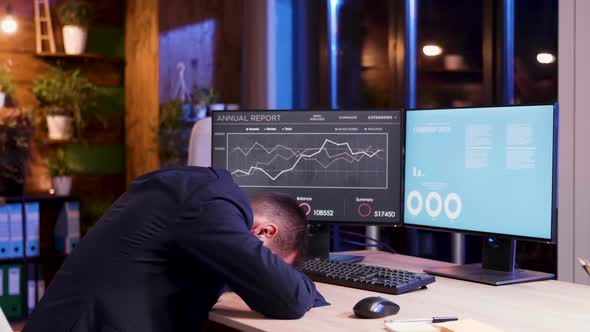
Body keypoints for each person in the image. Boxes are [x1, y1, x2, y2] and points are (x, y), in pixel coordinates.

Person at [23, 167, 323, 332]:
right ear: (264, 232)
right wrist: (295, 283)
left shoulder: (189, 191)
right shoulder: (210, 203)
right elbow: (289, 298)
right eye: (275, 263)